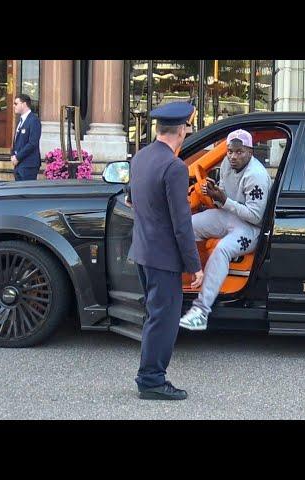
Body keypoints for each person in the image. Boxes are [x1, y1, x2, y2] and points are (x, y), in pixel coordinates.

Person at [128, 101, 204, 401]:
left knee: (155, 316)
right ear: (183, 129)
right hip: (163, 257)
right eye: (188, 126)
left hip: (143, 251)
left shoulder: (141, 157)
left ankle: (149, 376)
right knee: (164, 320)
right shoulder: (174, 167)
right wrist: (195, 266)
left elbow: (131, 200)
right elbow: (182, 224)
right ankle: (151, 381)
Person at [179, 129, 271, 331]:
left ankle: (201, 310)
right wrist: (213, 195)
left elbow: (256, 217)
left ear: (250, 151)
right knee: (188, 226)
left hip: (252, 229)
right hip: (229, 215)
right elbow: (223, 197)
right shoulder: (226, 165)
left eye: (239, 152)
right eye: (230, 151)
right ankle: (192, 274)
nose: (233, 156)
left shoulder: (256, 175)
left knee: (222, 250)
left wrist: (224, 200)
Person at [11, 94, 42, 181]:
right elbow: (17, 140)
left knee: (26, 192)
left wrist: (18, 157)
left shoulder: (33, 120)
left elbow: (32, 143)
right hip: (19, 164)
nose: (14, 106)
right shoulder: (20, 120)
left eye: (16, 103)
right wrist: (13, 154)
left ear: (23, 104)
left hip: (29, 164)